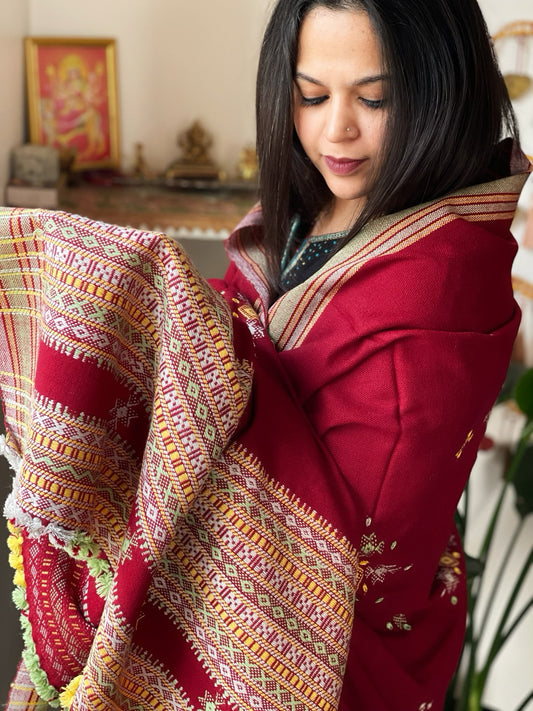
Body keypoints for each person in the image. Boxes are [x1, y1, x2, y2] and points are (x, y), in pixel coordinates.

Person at [0, 1, 529, 710]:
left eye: (375, 98)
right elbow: (246, 319)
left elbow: (348, 536)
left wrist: (154, 314)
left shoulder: (442, 284)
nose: (333, 129)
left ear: (443, 88)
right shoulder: (330, 192)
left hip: (333, 640)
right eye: (309, 95)